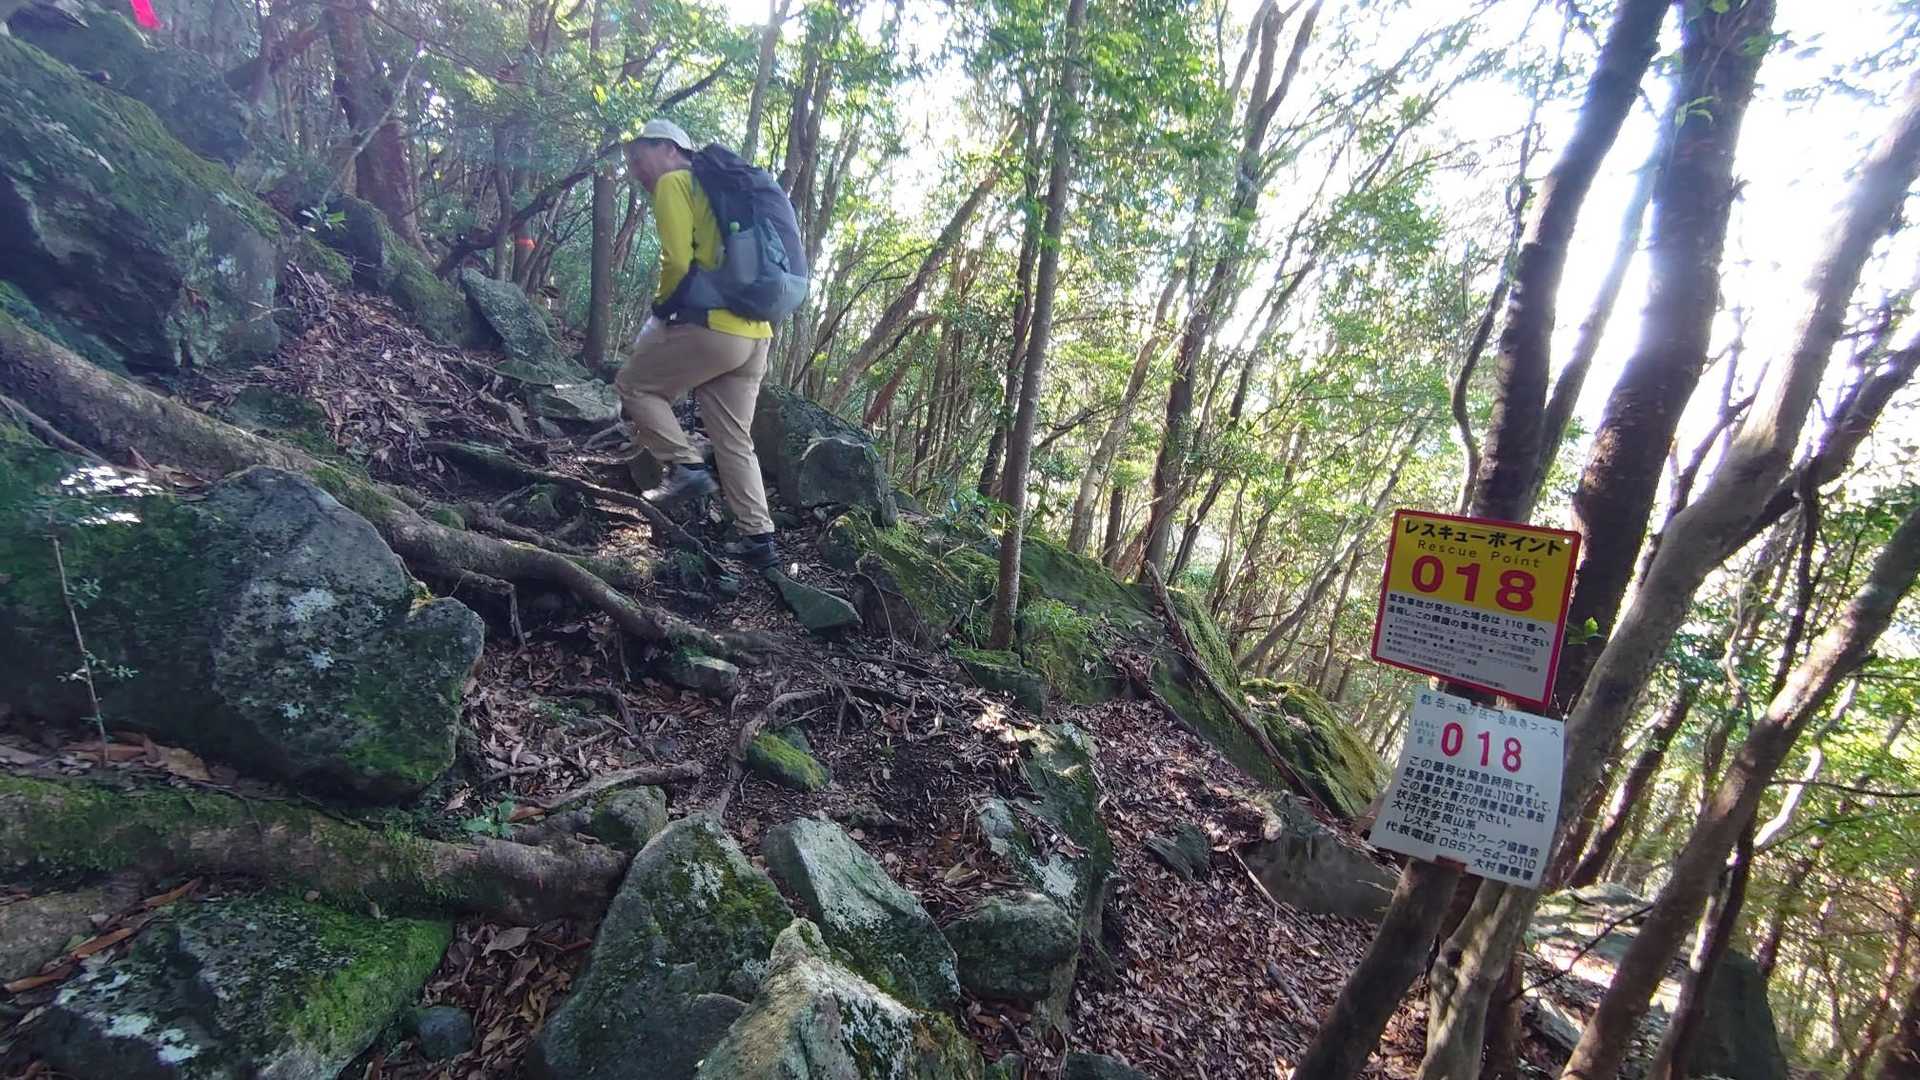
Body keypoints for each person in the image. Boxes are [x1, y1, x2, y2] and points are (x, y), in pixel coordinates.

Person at [617, 118, 778, 570]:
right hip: (756, 335)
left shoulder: (675, 183)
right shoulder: (721, 189)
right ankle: (759, 540)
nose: (635, 169)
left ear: (670, 149)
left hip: (714, 328)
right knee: (734, 438)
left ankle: (685, 466)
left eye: (640, 157)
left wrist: (661, 311)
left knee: (634, 386)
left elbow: (677, 261)